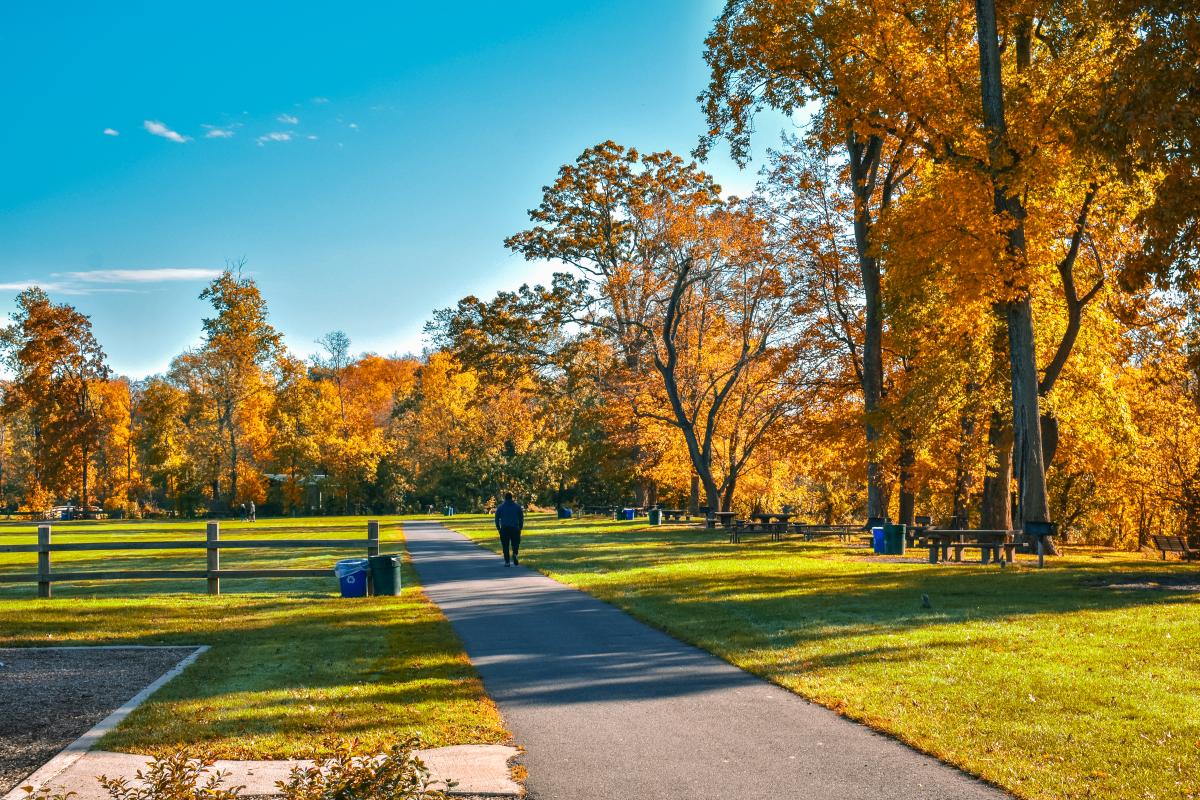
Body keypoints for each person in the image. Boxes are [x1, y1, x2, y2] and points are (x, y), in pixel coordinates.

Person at [494, 492, 524, 566]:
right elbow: (521, 518)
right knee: (515, 544)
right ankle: (515, 554)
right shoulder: (517, 507)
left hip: (504, 529)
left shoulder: (500, 507)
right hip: (515, 528)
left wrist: (498, 528)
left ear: (505, 498)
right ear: (512, 497)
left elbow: (497, 519)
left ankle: (507, 562)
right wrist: (520, 527)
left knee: (505, 546)